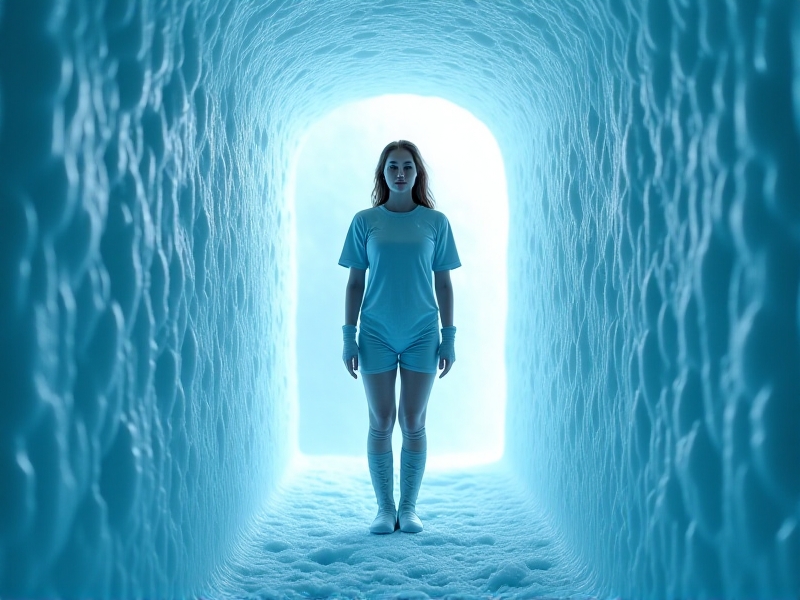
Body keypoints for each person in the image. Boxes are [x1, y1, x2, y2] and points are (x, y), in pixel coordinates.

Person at [338, 140, 461, 535]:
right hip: (375, 333)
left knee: (412, 421)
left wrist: (450, 336)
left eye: (407, 166)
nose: (401, 172)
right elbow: (355, 283)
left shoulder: (436, 222)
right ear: (383, 173)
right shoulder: (365, 221)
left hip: (423, 334)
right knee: (381, 420)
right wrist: (348, 336)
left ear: (417, 173)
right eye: (393, 166)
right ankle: (383, 509)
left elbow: (444, 284)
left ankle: (408, 509)